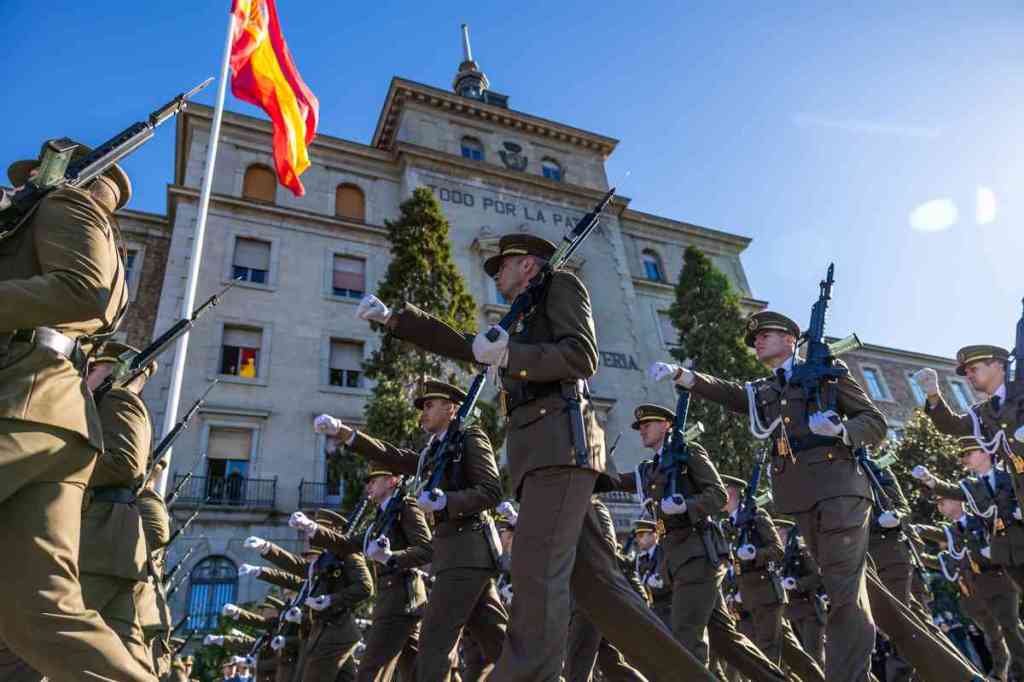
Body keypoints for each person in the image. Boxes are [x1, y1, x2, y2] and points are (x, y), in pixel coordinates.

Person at [356, 233, 716, 682]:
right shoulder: (522, 315)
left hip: (560, 447)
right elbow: (469, 345)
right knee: (601, 591)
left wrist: (511, 354)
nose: (497, 276)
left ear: (527, 265)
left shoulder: (561, 286)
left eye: (501, 267)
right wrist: (396, 318)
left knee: (534, 575)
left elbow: (582, 356)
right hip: (542, 454)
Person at [653, 310, 987, 682]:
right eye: (755, 338)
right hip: (803, 500)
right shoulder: (767, 389)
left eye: (766, 334)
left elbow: (874, 423)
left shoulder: (826, 373)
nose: (758, 341)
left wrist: (842, 430)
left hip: (841, 493)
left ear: (790, 340)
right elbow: (733, 393)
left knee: (843, 598)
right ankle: (957, 675)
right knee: (868, 596)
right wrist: (686, 377)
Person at [0, 140, 155, 680]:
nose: (20, 184)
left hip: (23, 405)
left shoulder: (63, 203)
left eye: (30, 176)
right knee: (42, 616)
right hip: (46, 417)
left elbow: (87, 291)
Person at [314, 378, 509, 680]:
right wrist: (346, 434)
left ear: (451, 407)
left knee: (434, 643)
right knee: (501, 644)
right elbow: (394, 456)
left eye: (430, 405)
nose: (423, 413)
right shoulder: (434, 451)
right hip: (456, 557)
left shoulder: (470, 437)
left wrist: (447, 500)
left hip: (467, 552)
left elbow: (492, 491)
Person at [295, 470, 432, 682]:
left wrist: (391, 557)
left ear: (392, 481)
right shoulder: (380, 518)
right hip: (394, 599)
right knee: (419, 671)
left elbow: (427, 549)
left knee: (371, 671)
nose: (369, 487)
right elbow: (348, 544)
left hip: (402, 598)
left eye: (374, 481)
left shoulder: (406, 507)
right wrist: (313, 529)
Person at [79, 342, 159, 675]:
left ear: (113, 371)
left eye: (92, 370)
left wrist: (60, 460)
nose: (83, 378)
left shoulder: (117, 400)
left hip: (100, 543)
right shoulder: (104, 405)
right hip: (110, 549)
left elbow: (124, 467)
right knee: (127, 661)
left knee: (34, 638)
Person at [720, 475, 824, 681]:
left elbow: (777, 550)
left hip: (766, 594)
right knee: (792, 654)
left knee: (767, 652)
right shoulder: (729, 525)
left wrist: (755, 554)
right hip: (749, 598)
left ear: (730, 492)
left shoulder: (757, 517)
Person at [776, 520, 826, 667]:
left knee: (814, 658)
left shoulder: (802, 550)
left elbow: (817, 576)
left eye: (779, 532)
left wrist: (796, 584)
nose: (776, 536)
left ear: (785, 532)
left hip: (809, 608)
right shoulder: (781, 556)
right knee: (801, 661)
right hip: (791, 612)